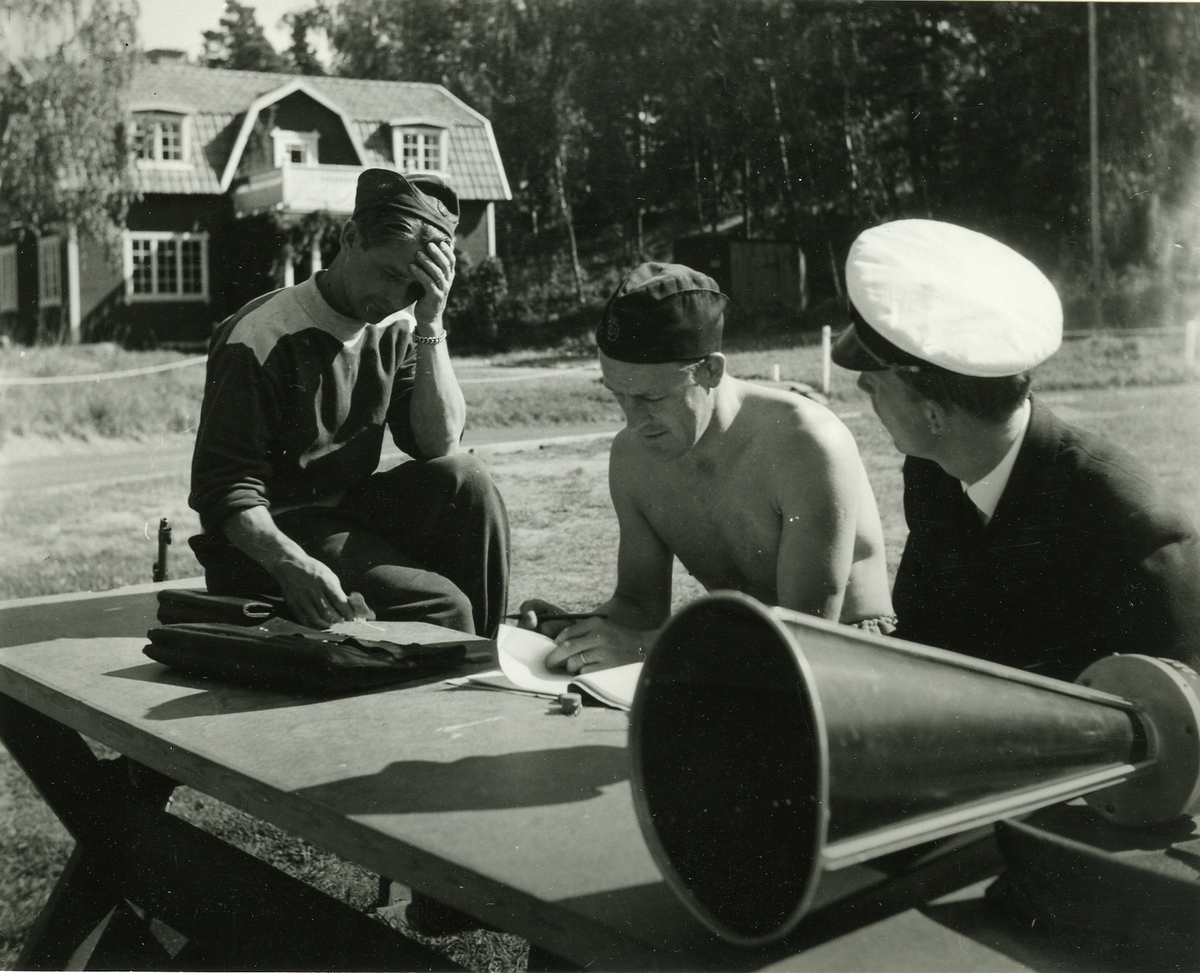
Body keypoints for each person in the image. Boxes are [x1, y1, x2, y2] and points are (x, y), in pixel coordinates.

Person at [833, 218, 1200, 680]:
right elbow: (927, 640)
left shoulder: (1134, 530)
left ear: (933, 415)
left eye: (875, 383)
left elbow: (1178, 722)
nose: (864, 386)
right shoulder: (933, 471)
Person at [522, 262, 894, 674]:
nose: (633, 419)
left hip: (847, 660)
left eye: (652, 399)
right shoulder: (633, 455)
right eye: (618, 396)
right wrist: (576, 631)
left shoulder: (805, 443)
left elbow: (808, 636)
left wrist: (649, 650)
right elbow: (641, 607)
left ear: (711, 370)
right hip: (739, 654)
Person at [188, 168, 509, 636]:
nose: (395, 298)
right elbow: (224, 493)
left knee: (470, 481)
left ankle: (485, 656)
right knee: (444, 607)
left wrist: (430, 321)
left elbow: (440, 446)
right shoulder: (260, 335)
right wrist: (291, 563)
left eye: (414, 288)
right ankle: (462, 666)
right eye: (390, 274)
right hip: (267, 543)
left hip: (344, 518)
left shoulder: (397, 326)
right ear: (351, 236)